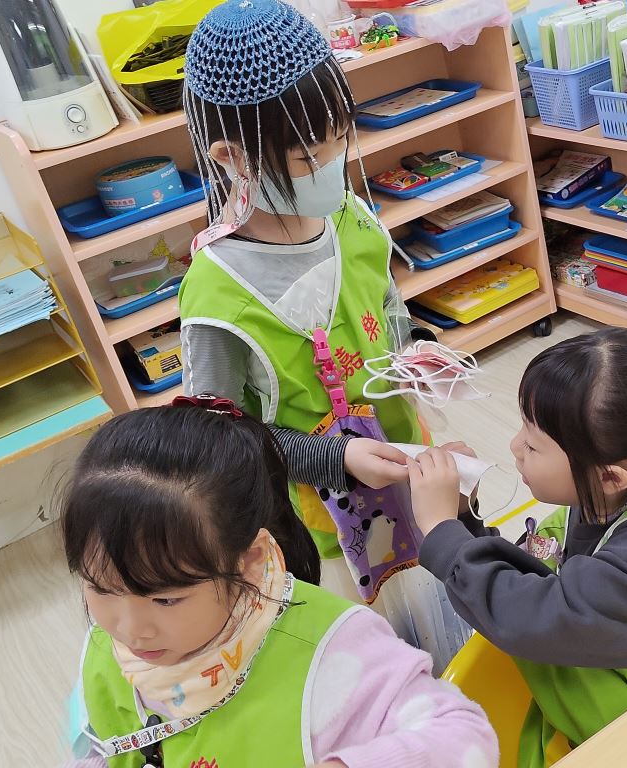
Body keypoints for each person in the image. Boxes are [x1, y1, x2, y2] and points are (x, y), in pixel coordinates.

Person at [61, 401, 498, 768]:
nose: (130, 629)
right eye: (101, 587)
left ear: (250, 560)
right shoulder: (108, 645)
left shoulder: (333, 650)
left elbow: (464, 735)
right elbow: (101, 744)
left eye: (166, 600)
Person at [405, 328, 627, 768]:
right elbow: (523, 575)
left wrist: (441, 531)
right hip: (596, 714)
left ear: (609, 476)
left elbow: (526, 616)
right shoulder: (591, 506)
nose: (514, 447)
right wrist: (462, 518)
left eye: (533, 443)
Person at [177, 0, 427, 560]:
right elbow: (218, 441)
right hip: (323, 516)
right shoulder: (220, 295)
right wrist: (334, 458)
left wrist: (418, 350)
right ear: (233, 157)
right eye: (311, 155)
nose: (336, 163)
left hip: (405, 454)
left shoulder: (349, 215)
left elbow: (387, 308)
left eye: (342, 136)